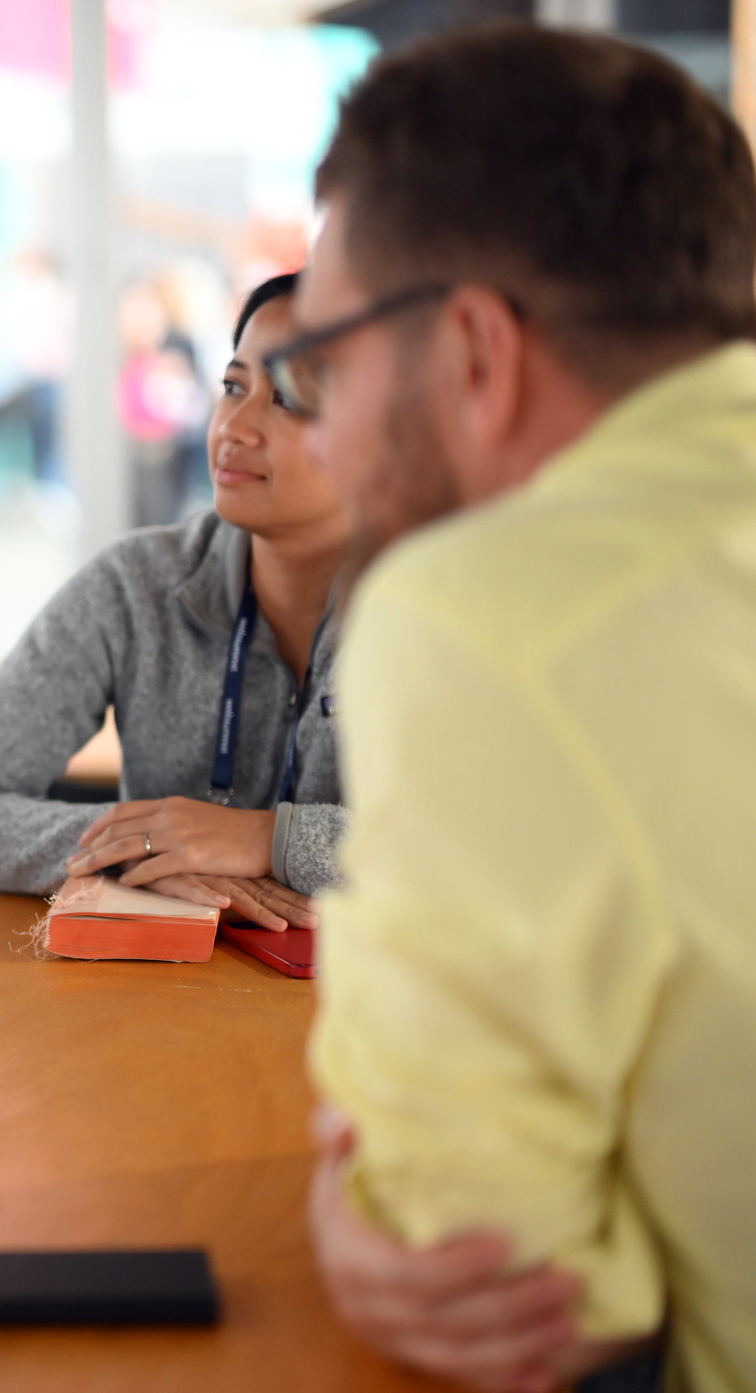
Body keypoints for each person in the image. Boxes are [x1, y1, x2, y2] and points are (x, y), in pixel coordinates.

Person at [283, 27, 756, 1393]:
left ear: (478, 350)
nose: (316, 433)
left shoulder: (485, 614)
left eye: (327, 363)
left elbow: (495, 1274)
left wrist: (354, 1192)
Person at [0, 272, 350, 931]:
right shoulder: (137, 585)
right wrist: (147, 845)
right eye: (234, 386)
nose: (235, 427)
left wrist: (262, 840)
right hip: (159, 1012)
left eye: (290, 399)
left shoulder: (440, 611)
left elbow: (494, 854)